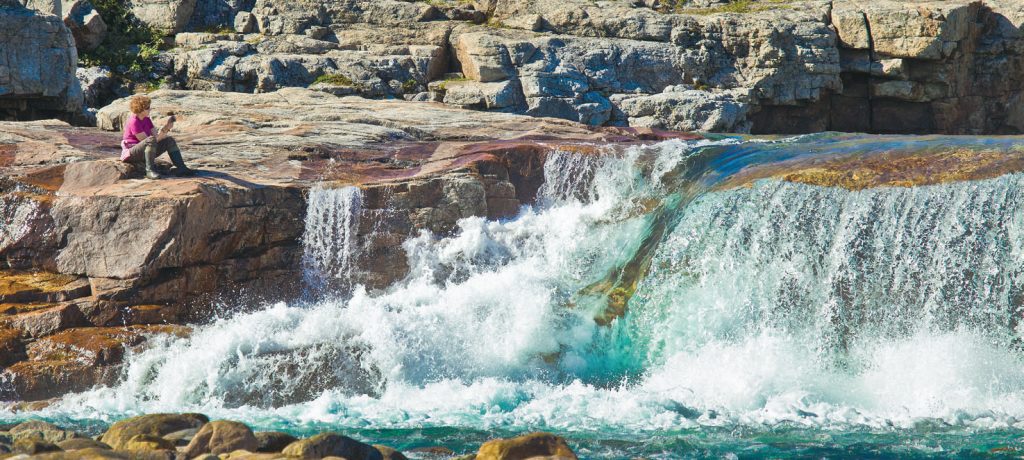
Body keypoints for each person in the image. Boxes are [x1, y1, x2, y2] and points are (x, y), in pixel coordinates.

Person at [120, 95, 195, 179]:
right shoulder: (133, 122)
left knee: (169, 140)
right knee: (150, 140)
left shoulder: (147, 119)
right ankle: (149, 171)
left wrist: (166, 128)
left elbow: (156, 137)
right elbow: (146, 140)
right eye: (147, 107)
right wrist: (162, 133)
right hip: (132, 153)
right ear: (140, 109)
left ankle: (182, 168)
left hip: (146, 149)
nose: (150, 109)